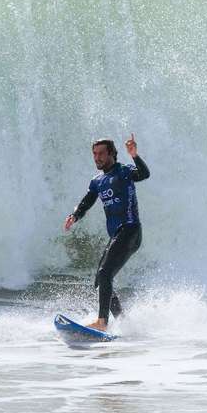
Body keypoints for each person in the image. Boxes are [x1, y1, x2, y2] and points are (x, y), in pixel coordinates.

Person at [63, 134, 150, 331]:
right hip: (118, 235)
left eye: (101, 153)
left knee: (104, 274)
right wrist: (74, 215)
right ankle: (123, 322)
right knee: (101, 280)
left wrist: (135, 155)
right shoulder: (97, 181)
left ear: (112, 154)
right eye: (94, 154)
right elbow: (87, 201)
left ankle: (102, 322)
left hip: (130, 230)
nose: (97, 157)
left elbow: (144, 174)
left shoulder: (124, 172)